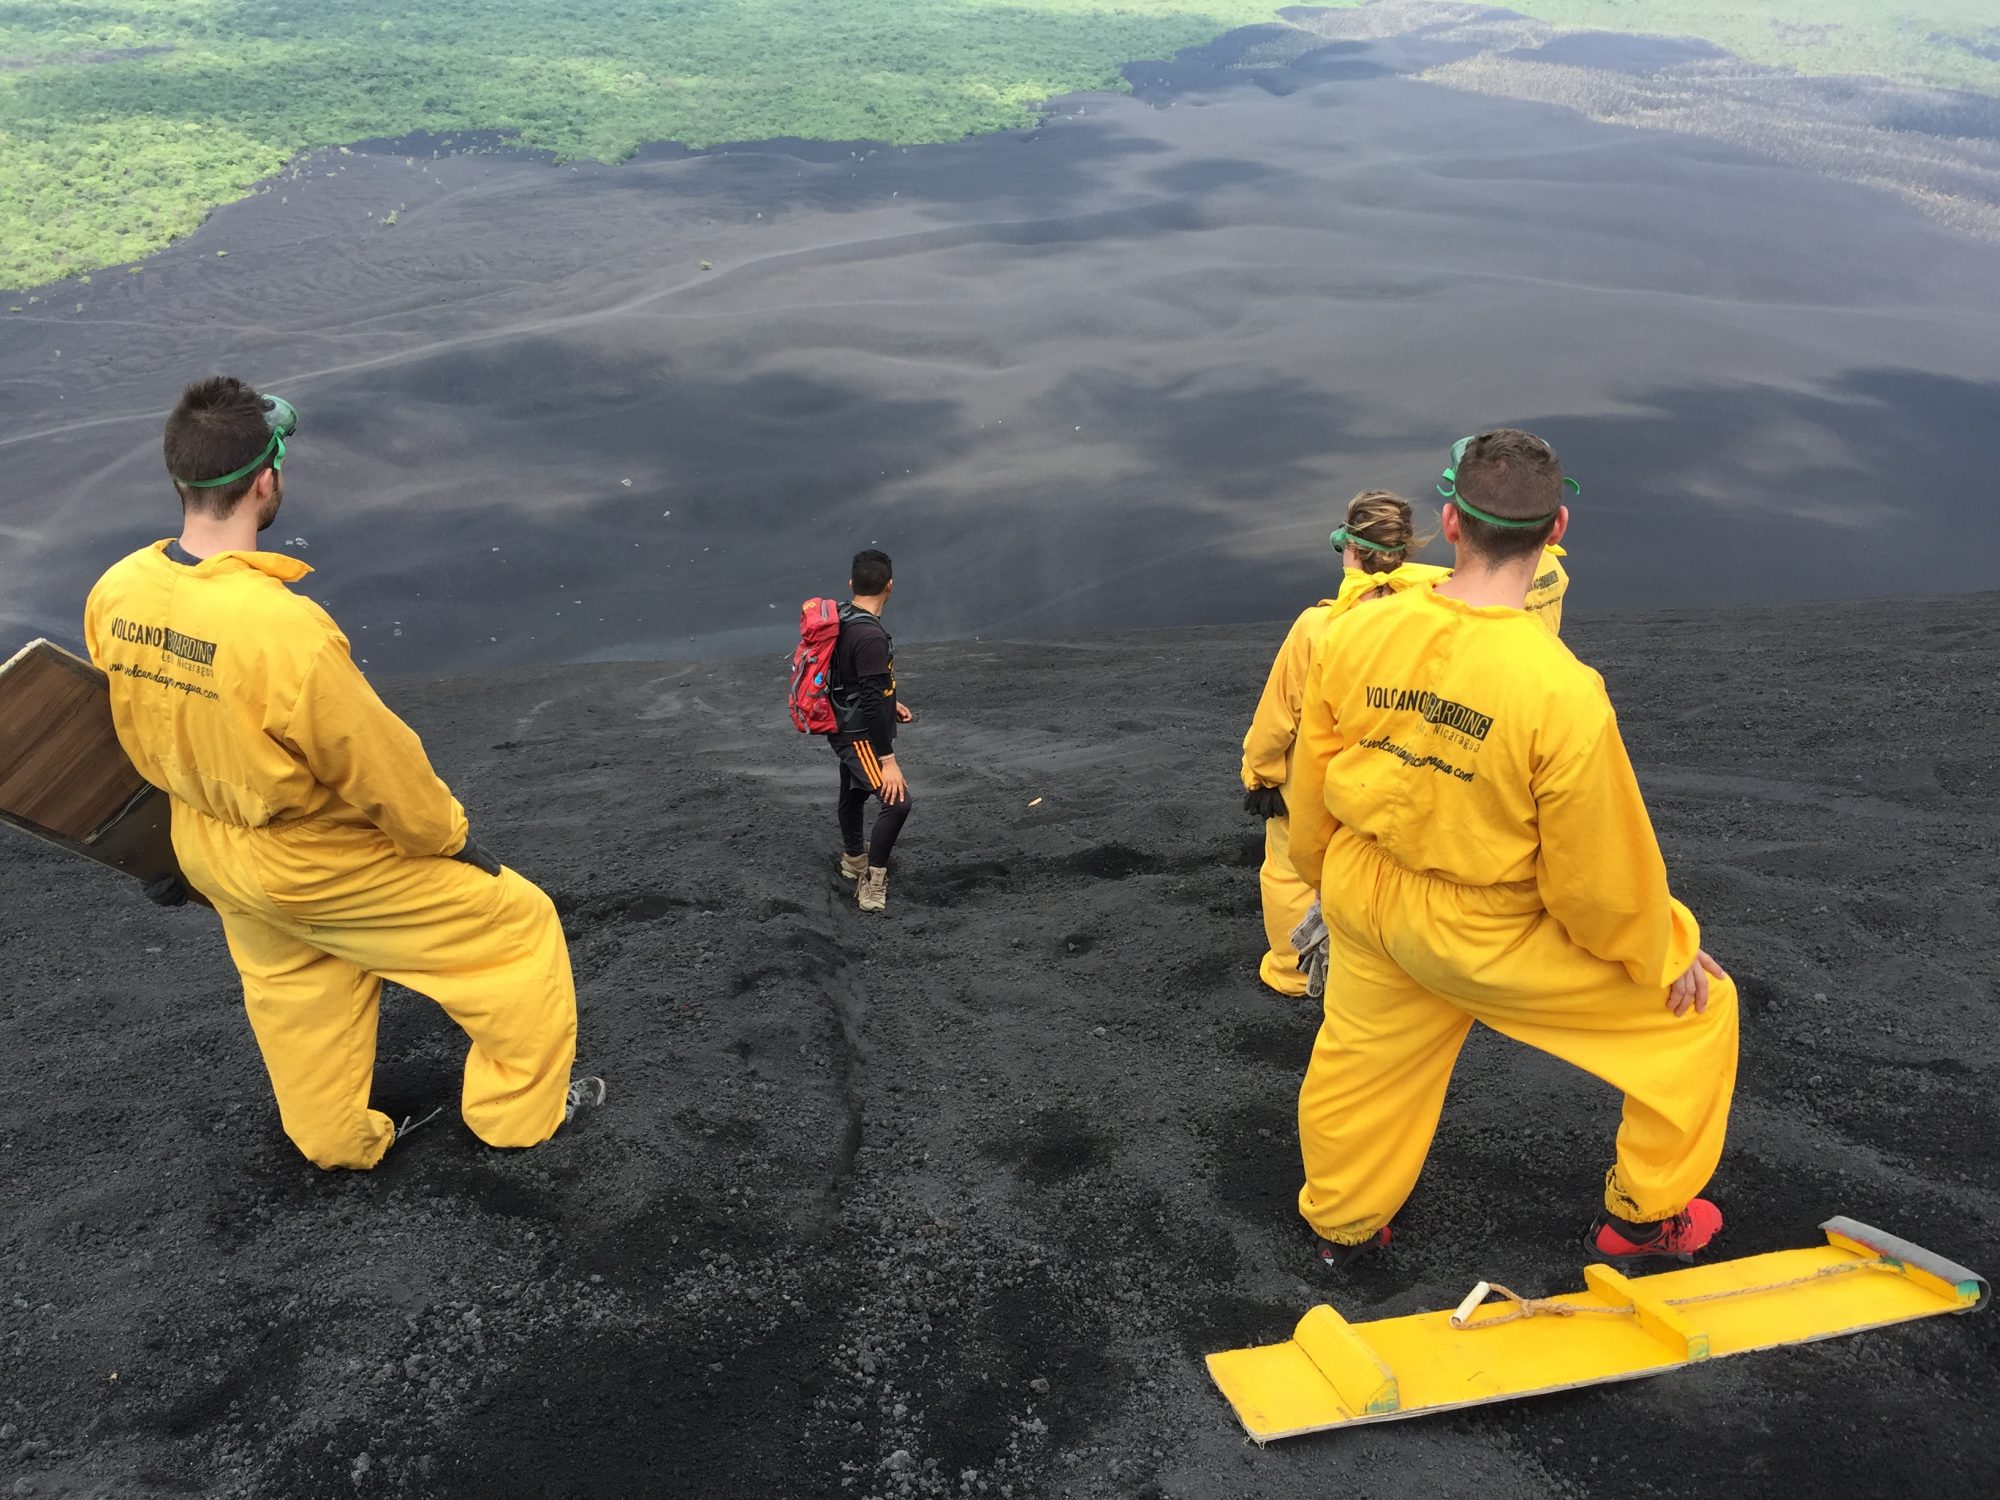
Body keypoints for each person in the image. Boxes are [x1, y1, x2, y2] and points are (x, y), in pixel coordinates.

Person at [84, 375, 603, 1171]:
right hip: (313, 864)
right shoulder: (286, 633)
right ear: (266, 480)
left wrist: (157, 853)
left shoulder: (117, 591)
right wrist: (448, 840)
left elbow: (114, 724)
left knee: (296, 987)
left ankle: (334, 1140)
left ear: (180, 476)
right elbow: (377, 766)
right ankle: (517, 1117)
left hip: (210, 851)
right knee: (517, 927)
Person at [1286, 429, 1738, 1269]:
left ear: (1451, 523)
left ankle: (1344, 1227)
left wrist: (1328, 886)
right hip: (1476, 930)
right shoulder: (1560, 691)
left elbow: (1308, 792)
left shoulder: (1352, 635)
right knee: (1700, 1017)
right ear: (1557, 528)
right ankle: (1644, 1220)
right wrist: (1665, 951)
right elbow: (1596, 880)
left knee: (1362, 1061)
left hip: (1360, 889)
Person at [1239, 492, 1448, 996]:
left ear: (1348, 548)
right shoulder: (1435, 613)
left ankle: (1294, 972)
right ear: (1404, 551)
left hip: (1319, 781)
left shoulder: (1318, 625)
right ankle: (1384, 963)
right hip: (1394, 777)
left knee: (1291, 870)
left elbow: (1278, 715)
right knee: (1384, 869)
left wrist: (1260, 774)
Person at [828, 548, 914, 914]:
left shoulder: (844, 618)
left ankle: (853, 859)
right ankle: (872, 882)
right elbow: (866, 697)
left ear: (852, 584)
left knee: (853, 790)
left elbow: (857, 680)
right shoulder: (871, 637)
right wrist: (888, 760)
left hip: (844, 723)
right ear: (890, 587)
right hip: (860, 732)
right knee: (897, 802)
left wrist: (890, 703)